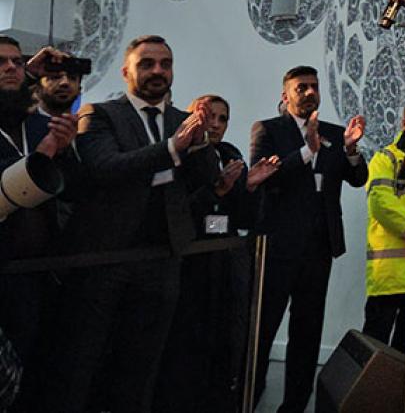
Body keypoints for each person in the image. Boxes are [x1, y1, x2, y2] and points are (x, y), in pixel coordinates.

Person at [52, 35, 212, 412]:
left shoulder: (181, 121)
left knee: (142, 366)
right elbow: (106, 168)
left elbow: (202, 178)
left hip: (161, 259)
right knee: (83, 363)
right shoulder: (101, 113)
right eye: (147, 63)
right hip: (106, 258)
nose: (158, 71)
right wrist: (174, 147)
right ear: (127, 71)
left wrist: (201, 143)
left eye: (165, 64)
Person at [250, 65, 367, 413]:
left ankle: (296, 405)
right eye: (302, 87)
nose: (310, 92)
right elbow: (262, 176)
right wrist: (306, 151)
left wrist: (349, 150)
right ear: (286, 95)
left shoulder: (333, 132)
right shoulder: (268, 130)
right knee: (264, 328)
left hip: (318, 248)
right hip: (278, 245)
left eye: (314, 86)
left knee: (308, 330)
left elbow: (358, 178)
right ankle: (249, 398)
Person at [156, 95, 279, 413]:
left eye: (222, 118)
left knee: (225, 345)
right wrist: (216, 191)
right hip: (187, 267)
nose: (215, 123)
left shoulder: (231, 155)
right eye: (208, 116)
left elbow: (246, 220)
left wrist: (249, 188)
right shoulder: (175, 156)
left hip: (225, 267)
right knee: (184, 349)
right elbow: (173, 214)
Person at [0, 38, 76, 411]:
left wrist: (64, 149)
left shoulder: (33, 125)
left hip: (38, 273)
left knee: (36, 375)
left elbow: (73, 189)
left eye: (17, 61)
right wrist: (46, 154)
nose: (11, 67)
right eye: (2, 62)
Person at [363, 99, 405, 353]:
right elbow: (381, 203)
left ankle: (403, 393)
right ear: (403, 123)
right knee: (375, 344)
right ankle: (369, 393)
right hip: (389, 274)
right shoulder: (385, 157)